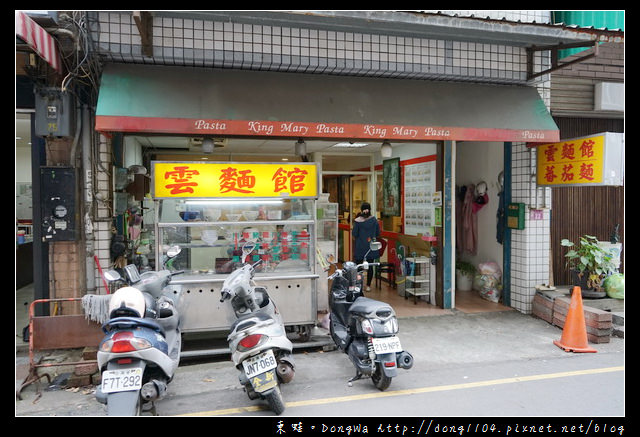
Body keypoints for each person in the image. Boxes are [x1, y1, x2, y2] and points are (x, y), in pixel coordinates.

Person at [352, 202, 380, 291]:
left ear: (361, 210)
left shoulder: (357, 221)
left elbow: (354, 234)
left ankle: (359, 285)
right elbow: (378, 233)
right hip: (371, 247)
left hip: (360, 247)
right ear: (370, 209)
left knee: (359, 266)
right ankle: (368, 286)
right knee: (370, 266)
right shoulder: (374, 220)